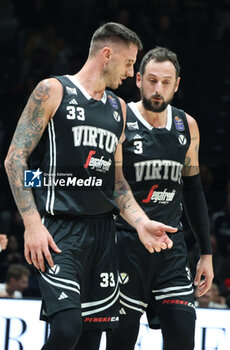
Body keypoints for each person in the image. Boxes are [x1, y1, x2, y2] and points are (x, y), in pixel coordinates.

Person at [4, 24, 177, 350]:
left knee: (89, 340)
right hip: (59, 233)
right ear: (107, 54)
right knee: (67, 329)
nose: (131, 73)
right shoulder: (52, 90)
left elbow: (117, 181)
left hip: (102, 236)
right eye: (128, 63)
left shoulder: (120, 110)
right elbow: (15, 160)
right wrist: (31, 222)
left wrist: (141, 223)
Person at [105, 47, 214, 350]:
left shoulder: (186, 125)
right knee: (121, 341)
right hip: (125, 244)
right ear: (138, 79)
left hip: (171, 249)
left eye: (166, 82)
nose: (158, 89)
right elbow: (110, 184)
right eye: (152, 80)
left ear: (177, 84)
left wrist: (206, 252)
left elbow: (193, 191)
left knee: (182, 336)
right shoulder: (119, 117)